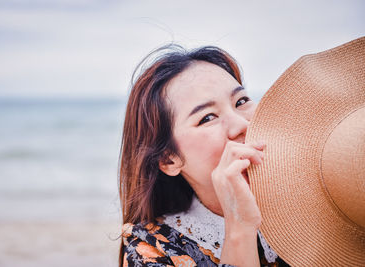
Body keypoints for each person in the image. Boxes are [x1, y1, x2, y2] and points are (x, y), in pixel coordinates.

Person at [118, 44, 289, 266]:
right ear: (169, 159)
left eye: (241, 101)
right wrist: (240, 227)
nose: (241, 124)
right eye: (207, 118)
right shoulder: (151, 248)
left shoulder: (318, 191)